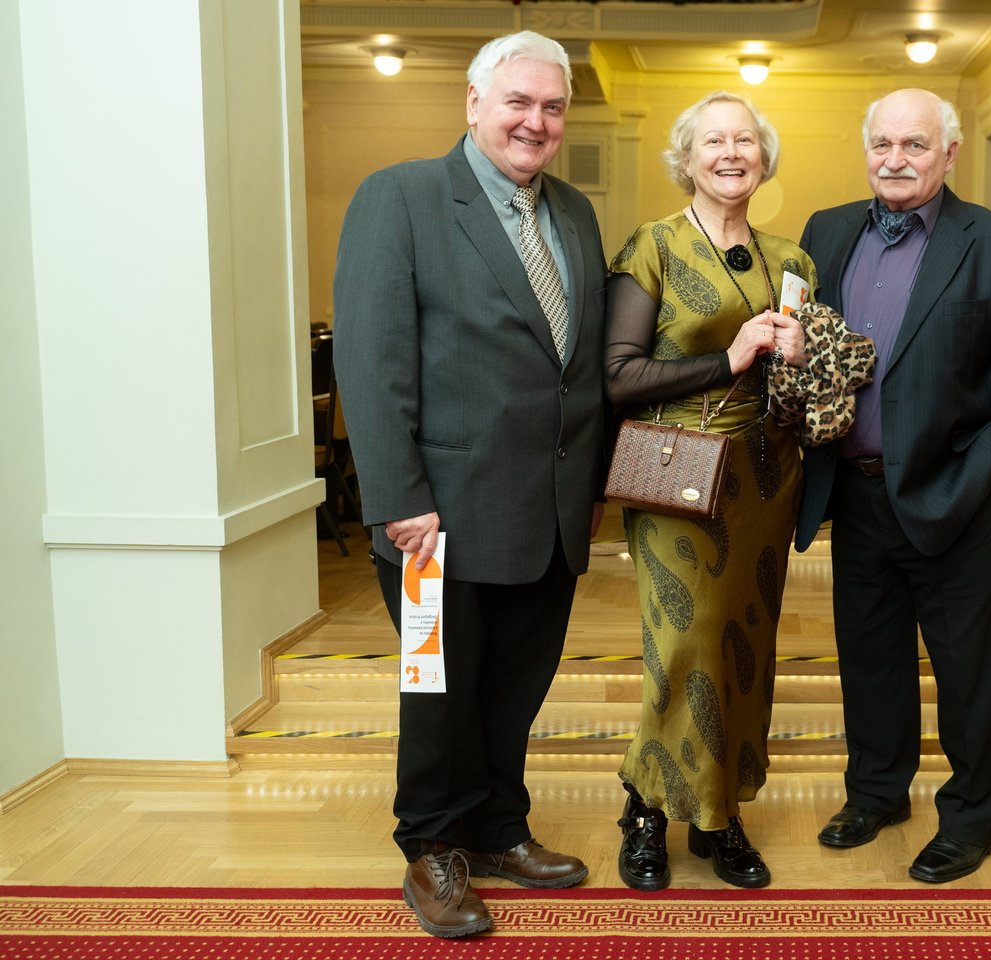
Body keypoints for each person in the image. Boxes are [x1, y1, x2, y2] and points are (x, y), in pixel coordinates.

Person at [332, 31, 608, 938]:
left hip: (548, 512)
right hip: (434, 518)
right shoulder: (401, 197)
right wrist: (398, 497)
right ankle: (433, 849)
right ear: (474, 102)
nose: (536, 121)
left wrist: (591, 488)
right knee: (437, 692)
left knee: (515, 687)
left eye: (553, 107)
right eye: (518, 101)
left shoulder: (574, 211)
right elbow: (371, 361)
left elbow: (576, 368)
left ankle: (497, 829)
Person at [795, 89, 991, 883]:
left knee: (973, 671)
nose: (895, 160)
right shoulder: (826, 231)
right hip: (856, 492)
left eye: (914, 144)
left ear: (950, 152)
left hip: (957, 494)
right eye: (882, 144)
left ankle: (973, 816)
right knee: (869, 658)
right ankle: (876, 792)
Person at [604, 91, 811, 890]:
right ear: (687, 159)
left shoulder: (792, 261)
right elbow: (619, 376)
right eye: (714, 141)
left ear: (764, 158)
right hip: (676, 473)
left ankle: (718, 814)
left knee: (742, 647)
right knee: (685, 643)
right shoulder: (653, 245)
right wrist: (728, 359)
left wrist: (799, 359)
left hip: (765, 477)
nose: (732, 153)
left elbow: (799, 391)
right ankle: (648, 809)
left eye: (745, 140)